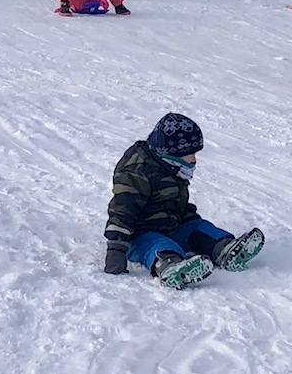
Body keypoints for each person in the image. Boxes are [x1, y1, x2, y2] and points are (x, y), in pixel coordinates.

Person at [103, 112, 264, 289]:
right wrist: (116, 249)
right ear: (171, 153)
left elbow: (176, 202)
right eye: (189, 154)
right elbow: (122, 211)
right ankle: (170, 266)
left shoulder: (172, 166)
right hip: (141, 234)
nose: (194, 159)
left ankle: (225, 250)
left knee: (199, 228)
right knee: (158, 244)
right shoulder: (136, 171)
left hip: (172, 225)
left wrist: (189, 219)